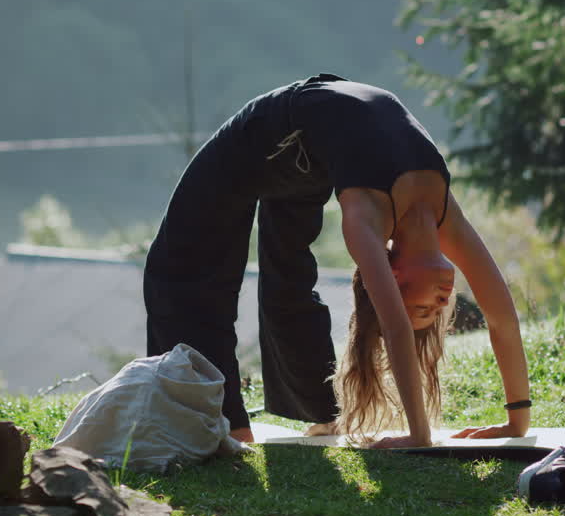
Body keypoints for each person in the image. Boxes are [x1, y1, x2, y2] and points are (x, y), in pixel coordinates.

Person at [144, 74, 531, 448]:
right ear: (394, 276)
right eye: (431, 309)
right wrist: (500, 422)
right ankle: (231, 422)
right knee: (188, 272)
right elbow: (501, 317)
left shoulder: (367, 218)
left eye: (424, 308)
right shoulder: (443, 217)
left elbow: (400, 324)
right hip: (273, 134)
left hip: (308, 151)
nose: (443, 302)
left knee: (191, 273)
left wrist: (511, 424)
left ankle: (247, 421)